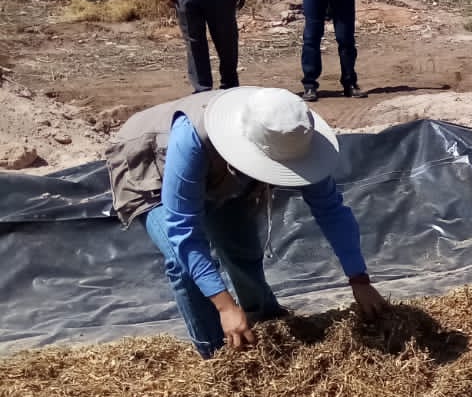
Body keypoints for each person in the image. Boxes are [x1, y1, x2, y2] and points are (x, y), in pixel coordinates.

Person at [105, 86, 387, 356]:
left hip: (222, 172)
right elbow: (183, 228)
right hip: (150, 164)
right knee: (182, 264)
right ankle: (216, 351)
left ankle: (265, 320)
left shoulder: (293, 136)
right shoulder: (192, 138)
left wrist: (359, 279)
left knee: (240, 247)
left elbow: (331, 209)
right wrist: (225, 306)